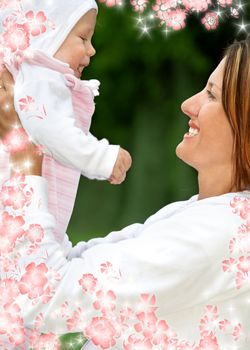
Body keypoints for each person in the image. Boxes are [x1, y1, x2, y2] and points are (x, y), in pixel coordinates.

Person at [1, 37, 250, 349]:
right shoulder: (208, 214)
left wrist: (23, 156)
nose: (188, 104)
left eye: (211, 96)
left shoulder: (223, 233)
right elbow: (69, 263)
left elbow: (43, 299)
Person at [0, 0, 132, 245]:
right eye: (83, 38)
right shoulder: (39, 74)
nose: (91, 50)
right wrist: (102, 158)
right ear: (49, 34)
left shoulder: (30, 76)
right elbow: (50, 129)